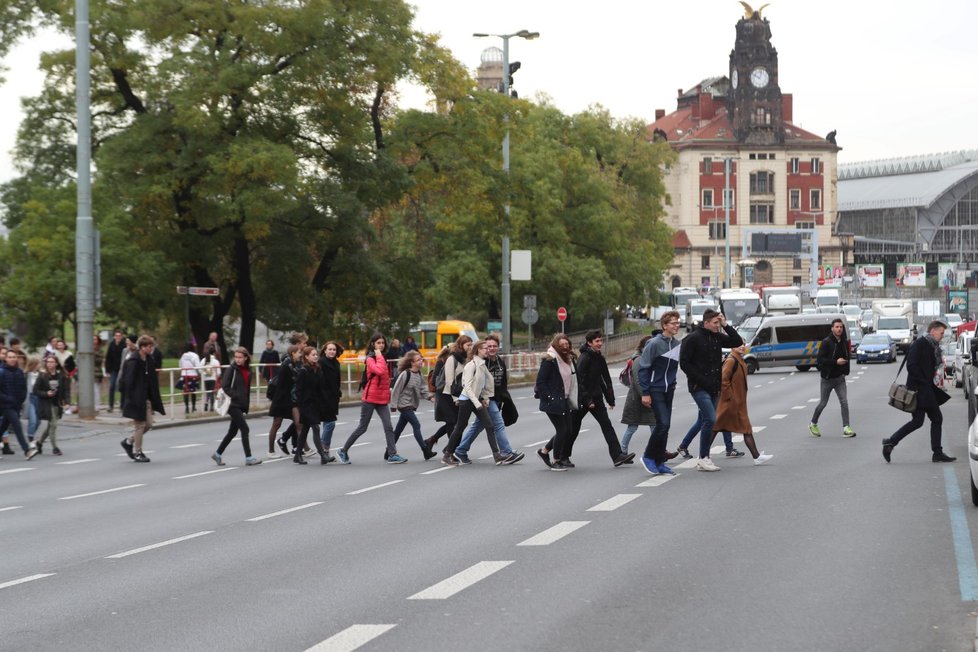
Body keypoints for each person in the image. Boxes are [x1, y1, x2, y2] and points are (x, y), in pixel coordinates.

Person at [679, 308, 743, 472]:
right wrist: (701, 379)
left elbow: (736, 341)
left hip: (714, 387)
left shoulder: (716, 337)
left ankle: (699, 454)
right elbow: (684, 363)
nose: (717, 326)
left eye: (718, 323)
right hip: (698, 387)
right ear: (706, 323)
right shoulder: (692, 339)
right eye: (715, 323)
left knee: (704, 420)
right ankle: (703, 457)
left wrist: (725, 324)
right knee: (710, 419)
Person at [883, 321, 956, 463]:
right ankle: (936, 452)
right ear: (933, 331)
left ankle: (891, 443)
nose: (942, 336)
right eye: (941, 333)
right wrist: (923, 381)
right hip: (919, 390)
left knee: (920, 421)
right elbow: (911, 366)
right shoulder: (920, 344)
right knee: (933, 419)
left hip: (925, 389)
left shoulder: (931, 345)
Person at [453, 334, 524, 465]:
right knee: (498, 423)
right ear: (482, 348)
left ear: (498, 347)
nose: (491, 349)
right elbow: (474, 383)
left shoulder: (499, 360)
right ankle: (506, 452)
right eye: (488, 346)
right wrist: (483, 399)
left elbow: (502, 382)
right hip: (484, 398)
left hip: (495, 398)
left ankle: (461, 450)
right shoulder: (481, 362)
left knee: (478, 426)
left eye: (494, 346)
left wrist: (504, 398)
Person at [568, 330, 633, 467]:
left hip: (596, 399)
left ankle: (617, 456)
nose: (600, 343)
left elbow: (605, 379)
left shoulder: (599, 357)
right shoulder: (584, 358)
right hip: (584, 399)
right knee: (571, 428)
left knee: (607, 425)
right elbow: (579, 381)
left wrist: (610, 399)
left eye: (601, 340)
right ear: (589, 343)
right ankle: (555, 452)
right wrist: (587, 400)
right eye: (597, 341)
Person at [337, 333, 405, 464]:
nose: (381, 345)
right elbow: (379, 371)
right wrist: (379, 356)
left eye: (383, 343)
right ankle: (343, 450)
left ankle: (392, 454)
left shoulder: (382, 357)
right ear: (373, 344)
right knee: (363, 427)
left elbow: (385, 377)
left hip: (381, 398)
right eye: (378, 343)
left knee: (388, 426)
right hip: (370, 398)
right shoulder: (370, 358)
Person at [442, 340, 506, 465]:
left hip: (476, 400)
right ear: (478, 350)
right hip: (466, 400)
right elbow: (468, 387)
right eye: (485, 348)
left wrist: (485, 397)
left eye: (488, 348)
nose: (488, 350)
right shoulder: (471, 365)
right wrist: (477, 403)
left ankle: (497, 456)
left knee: (489, 426)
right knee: (460, 427)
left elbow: (487, 382)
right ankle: (447, 454)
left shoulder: (482, 364)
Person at [636, 311, 684, 474]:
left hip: (668, 390)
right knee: (662, 424)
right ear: (664, 325)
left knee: (665, 426)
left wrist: (673, 383)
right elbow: (643, 369)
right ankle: (648, 456)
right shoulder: (654, 344)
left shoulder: (677, 344)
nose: (677, 325)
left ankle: (659, 461)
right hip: (655, 389)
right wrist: (645, 392)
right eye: (673, 323)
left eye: (678, 323)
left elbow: (673, 369)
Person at [713, 344, 773, 466]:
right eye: (738, 345)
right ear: (732, 347)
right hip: (731, 403)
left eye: (743, 344)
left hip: (738, 402)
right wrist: (731, 397)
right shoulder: (731, 360)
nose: (742, 347)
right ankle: (703, 455)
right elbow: (723, 380)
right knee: (716, 427)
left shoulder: (738, 359)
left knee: (743, 428)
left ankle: (757, 456)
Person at [212, 347, 262, 466]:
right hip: (232, 404)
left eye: (240, 357)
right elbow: (225, 386)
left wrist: (245, 403)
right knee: (245, 429)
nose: (238, 360)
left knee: (232, 432)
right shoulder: (232, 369)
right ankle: (249, 457)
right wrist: (236, 396)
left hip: (240, 404)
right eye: (236, 357)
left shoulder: (247, 370)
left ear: (245, 358)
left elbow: (246, 389)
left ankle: (217, 454)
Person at [536, 334, 579, 471]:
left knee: (568, 430)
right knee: (562, 430)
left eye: (567, 344)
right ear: (556, 346)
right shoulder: (550, 360)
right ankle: (556, 460)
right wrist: (550, 397)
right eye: (562, 345)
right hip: (553, 401)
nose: (565, 347)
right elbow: (541, 382)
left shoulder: (568, 359)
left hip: (564, 399)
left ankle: (544, 451)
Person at [120, 335, 165, 463]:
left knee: (149, 424)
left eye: (152, 346)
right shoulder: (133, 361)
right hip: (135, 398)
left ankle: (128, 442)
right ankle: (138, 452)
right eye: (150, 347)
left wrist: (153, 398)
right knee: (140, 425)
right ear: (143, 347)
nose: (152, 349)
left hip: (146, 397)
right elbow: (128, 381)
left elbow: (152, 381)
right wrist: (131, 398)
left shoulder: (149, 360)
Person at [809, 318, 856, 438]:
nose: (839, 329)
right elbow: (820, 360)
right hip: (827, 378)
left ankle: (846, 427)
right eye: (837, 327)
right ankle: (813, 423)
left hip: (840, 378)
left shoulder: (844, 342)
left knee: (844, 402)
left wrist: (846, 371)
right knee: (823, 403)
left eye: (841, 327)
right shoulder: (826, 342)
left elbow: (847, 357)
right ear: (832, 328)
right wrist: (835, 362)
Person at [425, 336, 472, 450]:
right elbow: (440, 380)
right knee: (453, 422)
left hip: (458, 394)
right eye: (468, 345)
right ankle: (451, 450)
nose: (471, 347)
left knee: (455, 423)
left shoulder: (465, 359)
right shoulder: (448, 360)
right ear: (459, 346)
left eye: (471, 344)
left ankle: (434, 442)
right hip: (447, 395)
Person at [390, 350, 437, 461]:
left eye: (421, 359)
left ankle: (388, 451)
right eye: (418, 360)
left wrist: (430, 397)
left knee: (398, 430)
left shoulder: (419, 374)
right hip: (403, 404)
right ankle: (426, 450)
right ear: (412, 362)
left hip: (411, 404)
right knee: (416, 425)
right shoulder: (405, 374)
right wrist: (393, 405)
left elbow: (422, 389)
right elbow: (396, 390)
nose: (421, 361)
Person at [291, 346, 329, 465]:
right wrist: (301, 404)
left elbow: (320, 387)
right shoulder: (303, 371)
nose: (316, 356)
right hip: (306, 405)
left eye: (316, 354)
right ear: (306, 357)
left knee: (305, 430)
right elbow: (298, 389)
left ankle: (297, 455)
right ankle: (323, 455)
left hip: (315, 404)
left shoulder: (317, 369)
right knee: (316, 428)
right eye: (313, 355)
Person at [0, 349, 37, 459]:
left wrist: (20, 400)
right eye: (10, 357)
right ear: (5, 359)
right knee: (17, 426)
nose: (12, 359)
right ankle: (27, 450)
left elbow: (23, 389)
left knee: (3, 427)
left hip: (16, 405)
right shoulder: (1, 372)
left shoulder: (19, 372)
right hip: (5, 405)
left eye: (14, 357)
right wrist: (8, 399)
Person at [267, 344, 302, 457]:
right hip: (280, 400)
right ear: (293, 353)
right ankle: (271, 451)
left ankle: (300, 449)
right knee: (276, 424)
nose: (300, 354)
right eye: (298, 352)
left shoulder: (293, 365)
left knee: (299, 423)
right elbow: (281, 385)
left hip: (288, 400)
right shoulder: (286, 366)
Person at [33, 355, 68, 455]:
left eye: (52, 362)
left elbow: (65, 390)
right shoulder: (42, 375)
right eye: (48, 362)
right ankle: (55, 448)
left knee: (50, 427)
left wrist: (66, 401)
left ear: (56, 363)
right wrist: (46, 393)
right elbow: (35, 390)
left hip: (57, 404)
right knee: (54, 425)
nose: (50, 364)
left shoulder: (60, 375)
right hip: (47, 404)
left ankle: (39, 443)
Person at [318, 341, 343, 462]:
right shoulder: (321, 362)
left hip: (333, 398)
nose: (332, 351)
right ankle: (324, 451)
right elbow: (321, 382)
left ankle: (324, 452)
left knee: (327, 424)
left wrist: (338, 392)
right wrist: (324, 396)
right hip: (324, 398)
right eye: (330, 349)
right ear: (325, 351)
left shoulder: (336, 363)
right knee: (330, 423)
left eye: (334, 349)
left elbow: (336, 380)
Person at [105, 329, 127, 412]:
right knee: (112, 386)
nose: (118, 337)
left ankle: (122, 405)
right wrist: (107, 369)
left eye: (119, 336)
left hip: (121, 369)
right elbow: (108, 357)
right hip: (113, 369)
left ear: (121, 337)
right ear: (114, 336)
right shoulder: (111, 345)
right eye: (116, 336)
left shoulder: (124, 345)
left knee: (121, 387)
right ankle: (111, 405)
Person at [178, 342, 201, 414]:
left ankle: (187, 407)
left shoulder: (183, 356)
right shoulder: (195, 356)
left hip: (184, 375)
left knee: (185, 392)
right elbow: (198, 366)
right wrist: (199, 373)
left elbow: (180, 366)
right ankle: (193, 406)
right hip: (192, 375)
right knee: (193, 391)